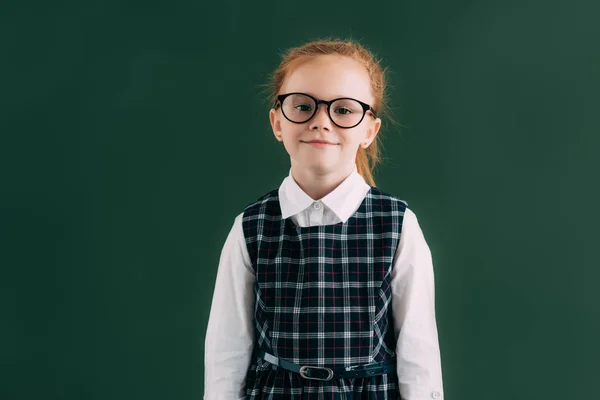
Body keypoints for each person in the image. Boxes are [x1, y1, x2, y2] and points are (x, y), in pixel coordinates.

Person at [204, 38, 444, 400]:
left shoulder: (398, 225)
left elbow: (419, 354)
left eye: (344, 110)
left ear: (369, 130)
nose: (321, 122)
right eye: (302, 106)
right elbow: (227, 351)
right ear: (277, 122)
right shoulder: (251, 226)